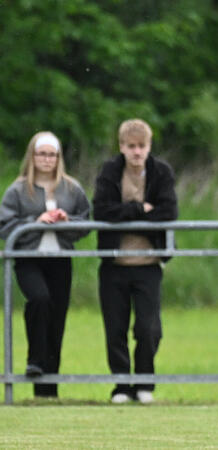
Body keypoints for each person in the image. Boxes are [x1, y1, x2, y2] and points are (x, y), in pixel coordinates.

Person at [92, 119, 178, 404]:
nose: (137, 152)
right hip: (113, 264)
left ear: (149, 147)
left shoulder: (161, 172)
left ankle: (144, 382)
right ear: (122, 147)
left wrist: (127, 217)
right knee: (114, 327)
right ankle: (121, 386)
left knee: (148, 327)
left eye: (142, 146)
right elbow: (102, 211)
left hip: (149, 263)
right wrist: (140, 209)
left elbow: (168, 212)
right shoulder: (109, 172)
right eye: (131, 146)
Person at [0, 131, 90, 398]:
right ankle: (35, 360)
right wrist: (35, 222)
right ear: (32, 156)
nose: (47, 159)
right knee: (39, 300)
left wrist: (66, 221)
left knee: (57, 317)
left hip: (60, 260)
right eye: (42, 154)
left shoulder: (72, 189)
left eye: (52, 154)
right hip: (29, 259)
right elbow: (5, 225)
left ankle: (47, 390)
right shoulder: (17, 190)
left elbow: (85, 221)